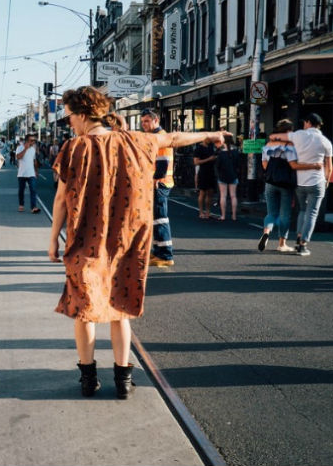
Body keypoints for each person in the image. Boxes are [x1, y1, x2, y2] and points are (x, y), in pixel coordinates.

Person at [48, 85, 229, 400]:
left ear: (81, 114)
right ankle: (124, 380)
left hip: (85, 242)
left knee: (84, 310)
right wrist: (210, 134)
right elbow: (172, 139)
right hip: (128, 242)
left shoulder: (74, 148)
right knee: (120, 309)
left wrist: (53, 240)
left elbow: (62, 198)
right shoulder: (137, 140)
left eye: (69, 118)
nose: (69, 124)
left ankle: (88, 379)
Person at [269, 113, 333, 256]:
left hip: (300, 182)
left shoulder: (298, 135)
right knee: (312, 213)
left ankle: (298, 238)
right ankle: (302, 244)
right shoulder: (325, 142)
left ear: (308, 123)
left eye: (305, 122)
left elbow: (274, 137)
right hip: (317, 182)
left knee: (303, 211)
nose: (304, 125)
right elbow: (329, 166)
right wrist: (327, 181)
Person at [258, 119, 324, 253]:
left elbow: (264, 164)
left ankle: (266, 232)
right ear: (289, 131)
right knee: (285, 215)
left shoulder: (269, 144)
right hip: (286, 184)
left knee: (271, 213)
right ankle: (282, 243)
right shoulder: (292, 145)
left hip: (270, 182)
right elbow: (295, 164)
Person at [140, 109, 174, 267]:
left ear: (156, 120)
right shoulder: (156, 136)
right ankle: (158, 251)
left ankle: (166, 255)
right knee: (156, 219)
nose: (144, 124)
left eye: (147, 121)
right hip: (159, 182)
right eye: (142, 121)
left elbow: (163, 162)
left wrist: (155, 179)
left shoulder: (160, 137)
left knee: (160, 219)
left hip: (160, 183)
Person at [215, 139, 240, 221]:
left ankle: (223, 216)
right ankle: (234, 216)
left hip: (222, 176)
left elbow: (217, 166)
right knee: (233, 196)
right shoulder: (235, 152)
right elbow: (238, 165)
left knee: (223, 196)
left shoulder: (221, 153)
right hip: (233, 175)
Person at [16, 134, 40, 214]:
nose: (33, 142)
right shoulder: (19, 147)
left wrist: (36, 171)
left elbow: (34, 161)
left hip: (31, 173)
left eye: (34, 140)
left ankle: (33, 207)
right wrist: (25, 149)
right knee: (21, 190)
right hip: (22, 173)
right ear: (26, 141)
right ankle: (21, 205)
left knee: (33, 190)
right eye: (31, 140)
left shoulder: (33, 149)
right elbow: (18, 157)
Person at [193, 140, 217, 219]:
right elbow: (196, 162)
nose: (209, 139)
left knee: (210, 192)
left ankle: (208, 212)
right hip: (203, 172)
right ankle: (201, 212)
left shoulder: (211, 147)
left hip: (211, 171)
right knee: (202, 192)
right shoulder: (198, 148)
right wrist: (209, 159)